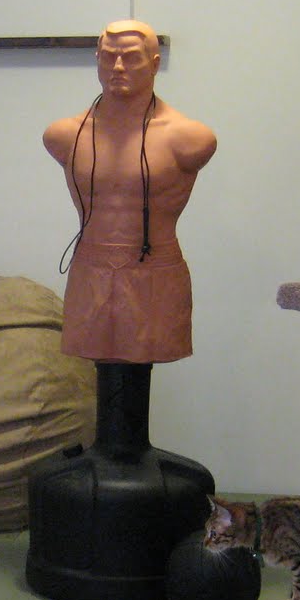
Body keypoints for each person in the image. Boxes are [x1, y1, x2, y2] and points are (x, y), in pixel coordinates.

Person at [44, 20, 217, 363]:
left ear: (154, 64)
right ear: (97, 59)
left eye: (131, 57)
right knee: (105, 378)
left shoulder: (189, 138)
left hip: (156, 273)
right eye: (109, 57)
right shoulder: (63, 135)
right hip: (89, 270)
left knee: (135, 381)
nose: (118, 67)